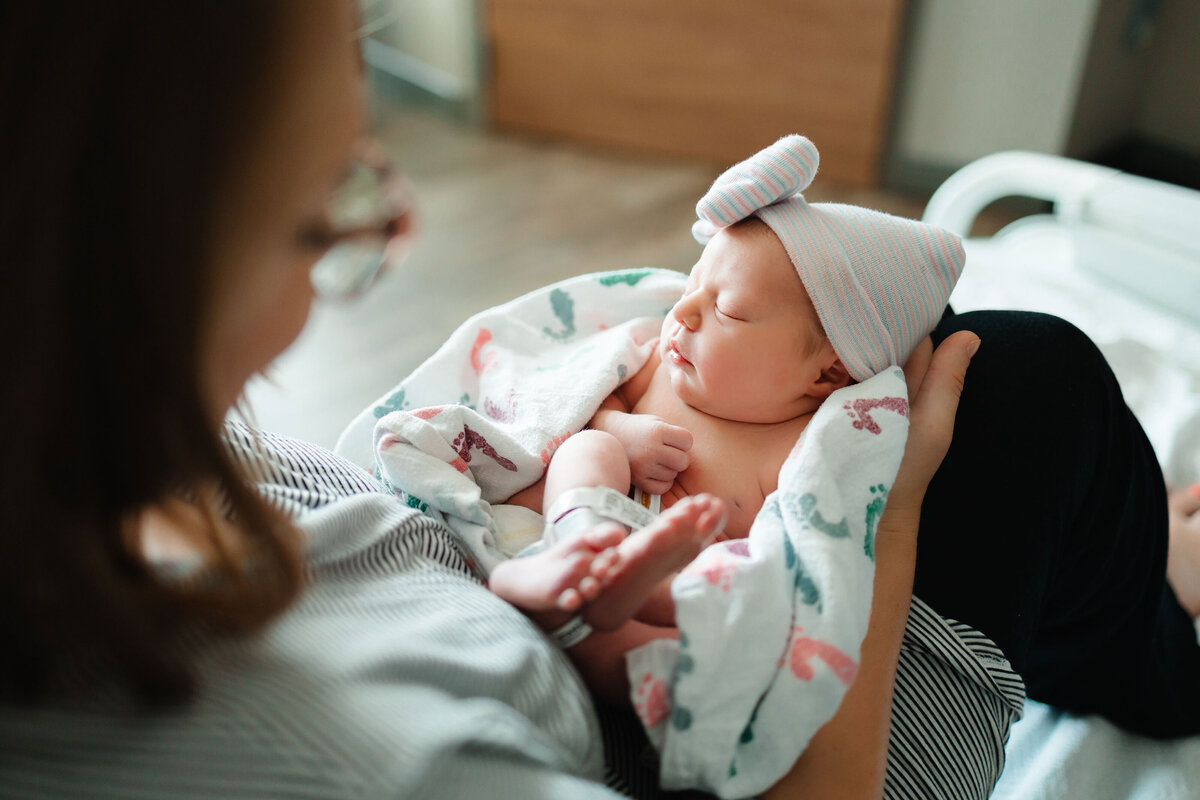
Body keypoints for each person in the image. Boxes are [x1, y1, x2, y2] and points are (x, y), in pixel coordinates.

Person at [2, 4, 1199, 800]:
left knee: (1022, 369)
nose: (675, 318)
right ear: (138, 264)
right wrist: (885, 522)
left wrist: (571, 519)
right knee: (1034, 383)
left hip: (551, 595)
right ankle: (1166, 650)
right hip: (731, 706)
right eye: (333, 211)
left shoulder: (106, 453)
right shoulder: (385, 765)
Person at [490, 134, 968, 706]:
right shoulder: (661, 372)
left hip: (663, 588)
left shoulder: (805, 445)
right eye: (693, 284)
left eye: (727, 309)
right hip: (561, 530)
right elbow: (579, 401)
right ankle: (575, 554)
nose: (684, 311)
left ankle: (625, 603)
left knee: (718, 605)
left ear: (825, 376)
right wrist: (621, 429)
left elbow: (801, 541)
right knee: (589, 450)